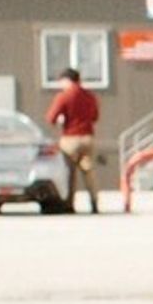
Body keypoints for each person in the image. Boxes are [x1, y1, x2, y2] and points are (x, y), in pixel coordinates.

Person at [42, 60, 103, 214]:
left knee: (69, 173)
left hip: (70, 138)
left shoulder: (64, 96)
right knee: (89, 172)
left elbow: (51, 118)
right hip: (88, 138)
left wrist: (61, 120)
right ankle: (94, 202)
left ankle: (69, 204)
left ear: (67, 80)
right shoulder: (89, 96)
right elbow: (95, 117)